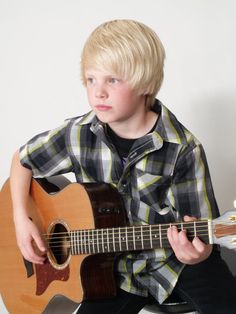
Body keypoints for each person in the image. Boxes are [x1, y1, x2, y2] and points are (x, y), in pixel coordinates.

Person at [10, 19, 236, 314]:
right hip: (107, 273)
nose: (98, 92)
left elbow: (201, 234)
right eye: (91, 80)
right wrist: (20, 218)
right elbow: (22, 159)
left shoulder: (182, 149)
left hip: (172, 264)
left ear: (144, 83)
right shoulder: (76, 135)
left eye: (112, 80)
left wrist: (198, 253)